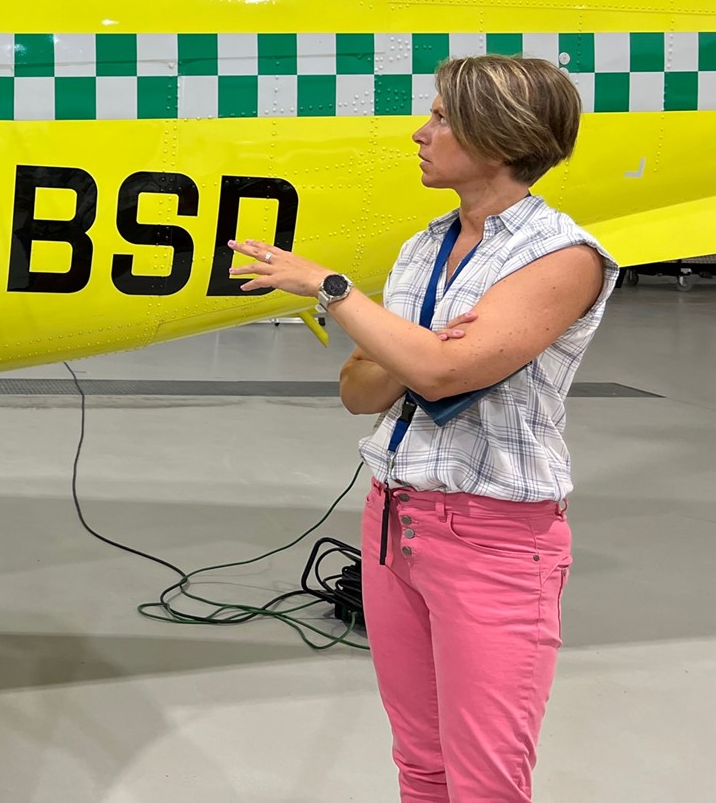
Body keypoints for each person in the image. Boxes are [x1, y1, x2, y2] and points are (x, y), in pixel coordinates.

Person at [226, 55, 618, 803]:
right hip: (394, 520)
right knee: (422, 765)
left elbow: (437, 375)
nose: (420, 131)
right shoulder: (423, 247)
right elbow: (361, 389)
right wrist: (427, 346)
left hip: (495, 536)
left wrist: (335, 291)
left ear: (499, 138)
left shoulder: (563, 258)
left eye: (440, 117)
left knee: (485, 783)